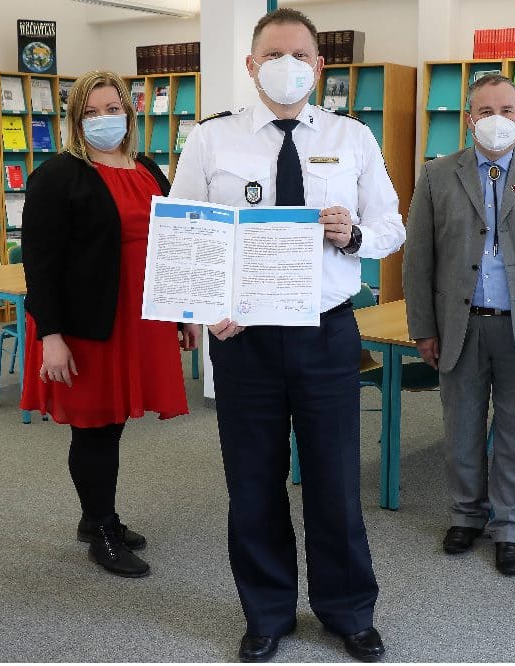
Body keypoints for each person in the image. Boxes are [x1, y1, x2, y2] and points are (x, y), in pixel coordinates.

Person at [168, 8, 404, 663]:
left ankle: (347, 611)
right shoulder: (211, 141)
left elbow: (391, 226)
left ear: (319, 65)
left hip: (326, 334)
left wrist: (353, 235)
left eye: (300, 54)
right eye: (273, 54)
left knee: (334, 483)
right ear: (250, 65)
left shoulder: (351, 137)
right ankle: (267, 613)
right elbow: (188, 239)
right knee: (252, 485)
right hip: (242, 341)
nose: (287, 64)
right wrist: (201, 304)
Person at [20, 71, 199, 579]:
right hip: (87, 324)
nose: (104, 120)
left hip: (142, 317)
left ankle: (95, 516)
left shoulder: (147, 168)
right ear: (76, 120)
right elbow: (41, 261)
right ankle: (101, 527)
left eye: (112, 109)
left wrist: (182, 314)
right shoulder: (58, 175)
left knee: (114, 424)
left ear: (129, 112)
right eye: (91, 112)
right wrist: (51, 337)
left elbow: (171, 243)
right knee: (95, 426)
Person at [402, 74, 515, 577]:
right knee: (460, 427)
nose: (496, 119)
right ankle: (465, 514)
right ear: (469, 118)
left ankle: (510, 526)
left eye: (507, 110)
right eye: (485, 110)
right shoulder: (437, 176)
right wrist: (423, 327)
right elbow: (417, 259)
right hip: (459, 324)